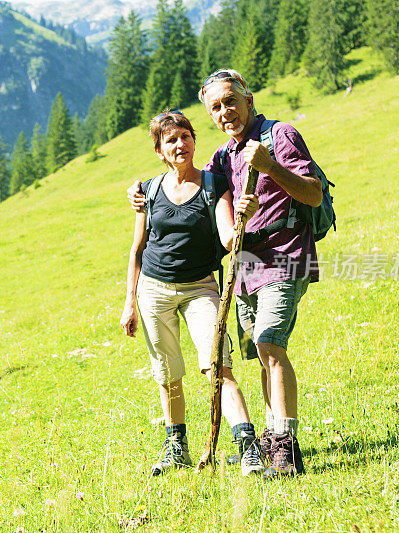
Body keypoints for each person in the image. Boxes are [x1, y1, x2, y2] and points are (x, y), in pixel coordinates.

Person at [127, 70, 322, 477]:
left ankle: (285, 446)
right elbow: (201, 190)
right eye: (215, 107)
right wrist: (140, 194)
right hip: (246, 265)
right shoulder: (223, 157)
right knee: (258, 352)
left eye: (230, 101)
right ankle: (269, 440)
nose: (224, 111)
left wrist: (271, 167)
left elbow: (313, 193)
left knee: (269, 343)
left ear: (248, 99)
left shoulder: (279, 135)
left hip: (285, 255)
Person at [120, 109, 262, 477]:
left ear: (194, 141)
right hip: (153, 289)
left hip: (201, 287)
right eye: (171, 140)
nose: (180, 144)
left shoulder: (214, 186)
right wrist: (129, 303)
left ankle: (248, 447)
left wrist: (245, 215)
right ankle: (176, 447)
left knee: (219, 366)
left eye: (185, 136)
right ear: (160, 151)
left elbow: (229, 238)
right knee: (168, 374)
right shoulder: (149, 191)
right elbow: (137, 250)